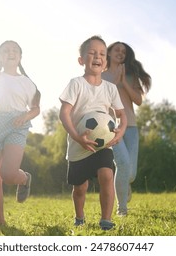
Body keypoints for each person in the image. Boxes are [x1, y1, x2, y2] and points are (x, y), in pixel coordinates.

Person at [59, 35, 127, 230]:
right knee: (80, 188)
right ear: (81, 60)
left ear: (105, 62)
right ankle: (79, 217)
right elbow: (64, 113)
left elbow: (122, 115)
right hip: (78, 145)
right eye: (92, 53)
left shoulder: (111, 88)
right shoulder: (75, 84)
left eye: (102, 54)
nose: (97, 56)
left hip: (102, 145)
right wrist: (76, 137)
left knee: (107, 174)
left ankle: (106, 220)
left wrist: (120, 132)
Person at [0, 40, 41, 226]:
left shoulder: (27, 82)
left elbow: (36, 108)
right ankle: (1, 222)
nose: (10, 52)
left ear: (20, 57)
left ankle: (24, 179)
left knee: (7, 174)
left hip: (18, 123)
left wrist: (26, 117)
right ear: (0, 57)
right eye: (6, 50)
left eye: (14, 50)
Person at [101, 41, 151, 216]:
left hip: (130, 126)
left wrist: (124, 81)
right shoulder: (101, 75)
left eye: (123, 51)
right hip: (110, 127)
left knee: (131, 174)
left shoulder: (130, 75)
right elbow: (102, 99)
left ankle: (125, 183)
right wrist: (115, 81)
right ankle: (122, 209)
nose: (120, 53)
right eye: (117, 50)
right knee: (123, 164)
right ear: (109, 52)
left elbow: (138, 100)